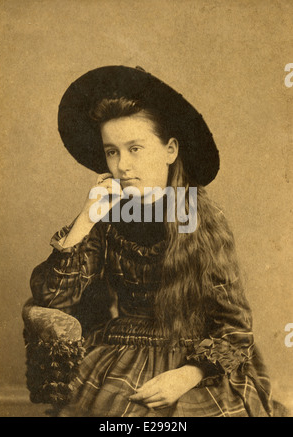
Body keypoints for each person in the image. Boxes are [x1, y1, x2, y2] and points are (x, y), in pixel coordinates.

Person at [30, 66, 273, 417]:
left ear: (170, 149)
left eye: (135, 149)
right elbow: (52, 298)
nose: (122, 166)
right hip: (119, 351)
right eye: (112, 152)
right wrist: (86, 218)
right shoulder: (106, 214)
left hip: (194, 360)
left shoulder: (199, 218)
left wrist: (188, 374)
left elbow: (235, 327)